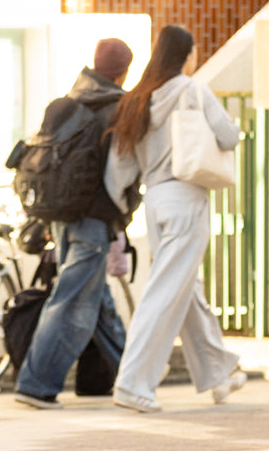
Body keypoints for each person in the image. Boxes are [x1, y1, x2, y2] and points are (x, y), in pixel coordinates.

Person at [104, 24, 246, 413]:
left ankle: (219, 374)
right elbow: (228, 137)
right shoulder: (192, 89)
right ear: (186, 54)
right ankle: (133, 383)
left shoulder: (137, 99)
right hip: (185, 196)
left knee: (182, 286)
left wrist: (116, 206)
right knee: (166, 291)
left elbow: (120, 166)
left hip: (155, 199)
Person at [15, 38, 137, 409]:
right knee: (70, 303)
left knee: (96, 301)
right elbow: (119, 172)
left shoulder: (69, 100)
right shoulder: (116, 107)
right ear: (124, 71)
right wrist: (124, 211)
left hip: (61, 217)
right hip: (93, 219)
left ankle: (132, 376)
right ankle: (35, 385)